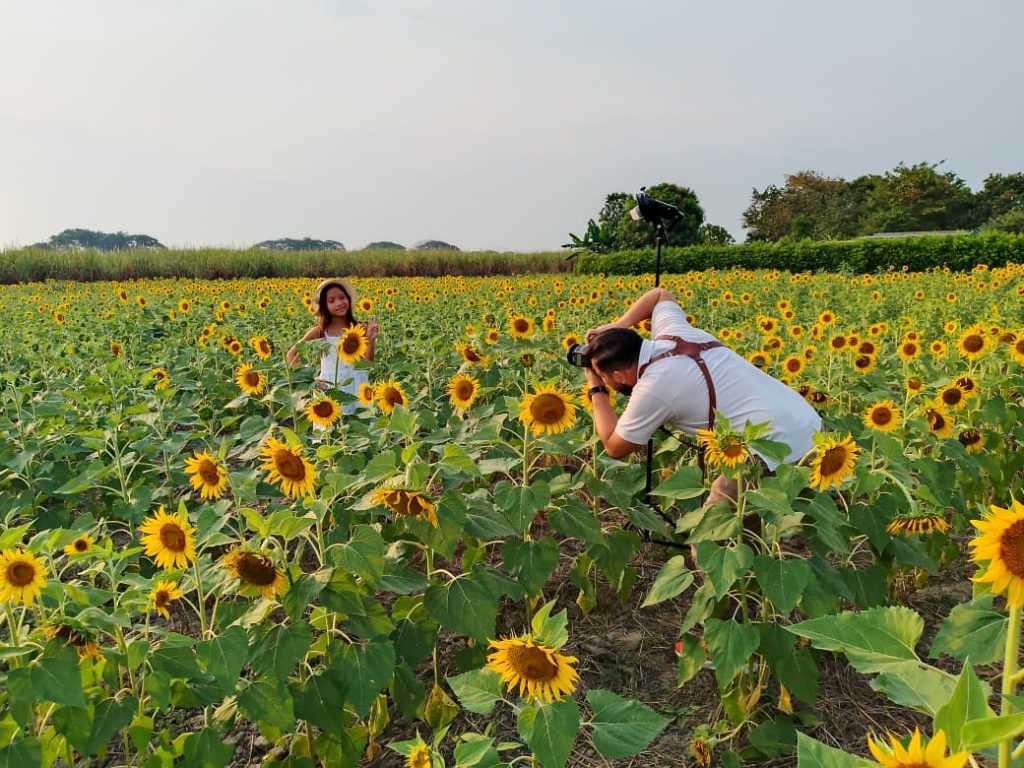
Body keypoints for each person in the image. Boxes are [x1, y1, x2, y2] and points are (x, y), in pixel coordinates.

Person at [582, 286, 820, 506]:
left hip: (775, 443)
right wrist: (617, 326)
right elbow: (660, 295)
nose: (604, 381)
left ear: (620, 376)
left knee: (719, 518)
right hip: (808, 422)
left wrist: (595, 387)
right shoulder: (673, 333)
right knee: (767, 512)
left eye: (604, 376)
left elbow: (614, 447)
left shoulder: (653, 388)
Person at [286, 278, 379, 413]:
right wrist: (310, 380)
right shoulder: (320, 331)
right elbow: (292, 354)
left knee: (360, 422)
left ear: (348, 299)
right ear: (324, 306)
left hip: (358, 386)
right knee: (332, 424)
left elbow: (367, 364)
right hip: (329, 387)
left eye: (342, 298)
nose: (339, 303)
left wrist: (371, 340)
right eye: (331, 301)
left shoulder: (360, 328)